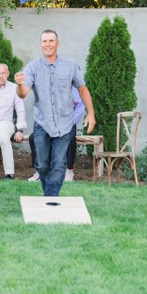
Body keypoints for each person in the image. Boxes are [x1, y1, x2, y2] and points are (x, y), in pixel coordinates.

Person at [16, 28, 96, 197]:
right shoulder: (32, 67)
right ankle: (48, 191)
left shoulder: (70, 66)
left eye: (51, 41)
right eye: (44, 41)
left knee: (59, 163)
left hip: (65, 123)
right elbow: (23, 93)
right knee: (42, 164)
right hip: (42, 123)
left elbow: (82, 89)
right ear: (40, 45)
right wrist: (19, 85)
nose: (48, 44)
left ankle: (51, 197)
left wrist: (91, 114)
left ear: (57, 43)